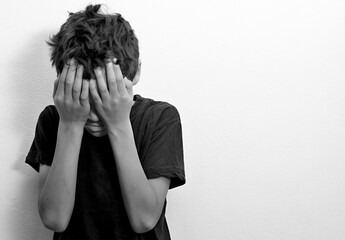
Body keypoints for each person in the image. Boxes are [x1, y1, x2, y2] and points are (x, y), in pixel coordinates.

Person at [25, 4, 185, 240]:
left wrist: (118, 124)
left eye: (106, 95)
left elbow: (144, 220)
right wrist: (70, 125)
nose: (92, 114)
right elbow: (54, 218)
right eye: (83, 98)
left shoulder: (159, 118)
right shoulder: (53, 119)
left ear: (136, 72)